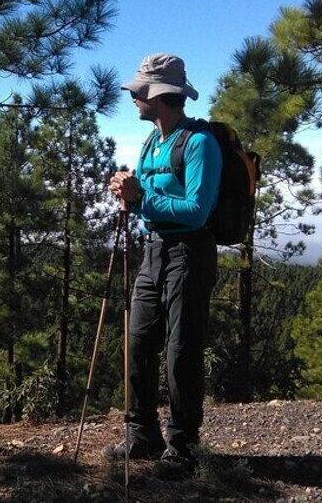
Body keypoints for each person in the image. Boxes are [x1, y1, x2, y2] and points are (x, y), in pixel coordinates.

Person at [104, 53, 222, 479]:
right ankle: (142, 433)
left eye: (139, 90)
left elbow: (197, 210)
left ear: (158, 95)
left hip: (190, 252)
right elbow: (147, 207)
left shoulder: (199, 144)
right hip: (155, 249)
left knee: (181, 350)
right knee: (138, 341)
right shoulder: (152, 142)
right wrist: (129, 195)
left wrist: (140, 197)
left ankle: (184, 444)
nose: (133, 96)